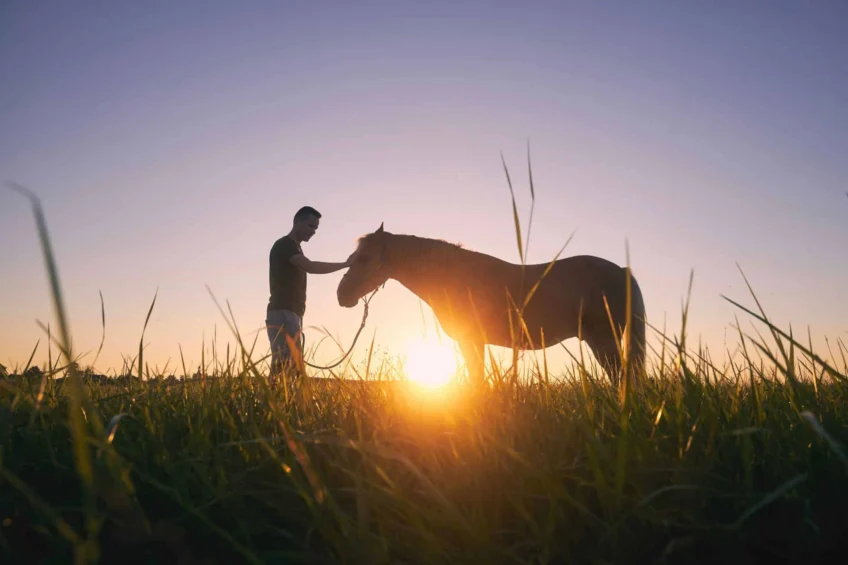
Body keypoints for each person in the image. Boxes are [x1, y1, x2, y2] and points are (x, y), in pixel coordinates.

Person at [266, 206, 357, 382]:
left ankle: (282, 405)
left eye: (316, 228)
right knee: (284, 365)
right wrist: (346, 264)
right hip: (283, 312)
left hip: (292, 313)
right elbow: (311, 267)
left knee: (290, 366)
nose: (313, 232)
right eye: (310, 226)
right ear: (297, 222)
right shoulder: (285, 245)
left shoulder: (296, 248)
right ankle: (269, 405)